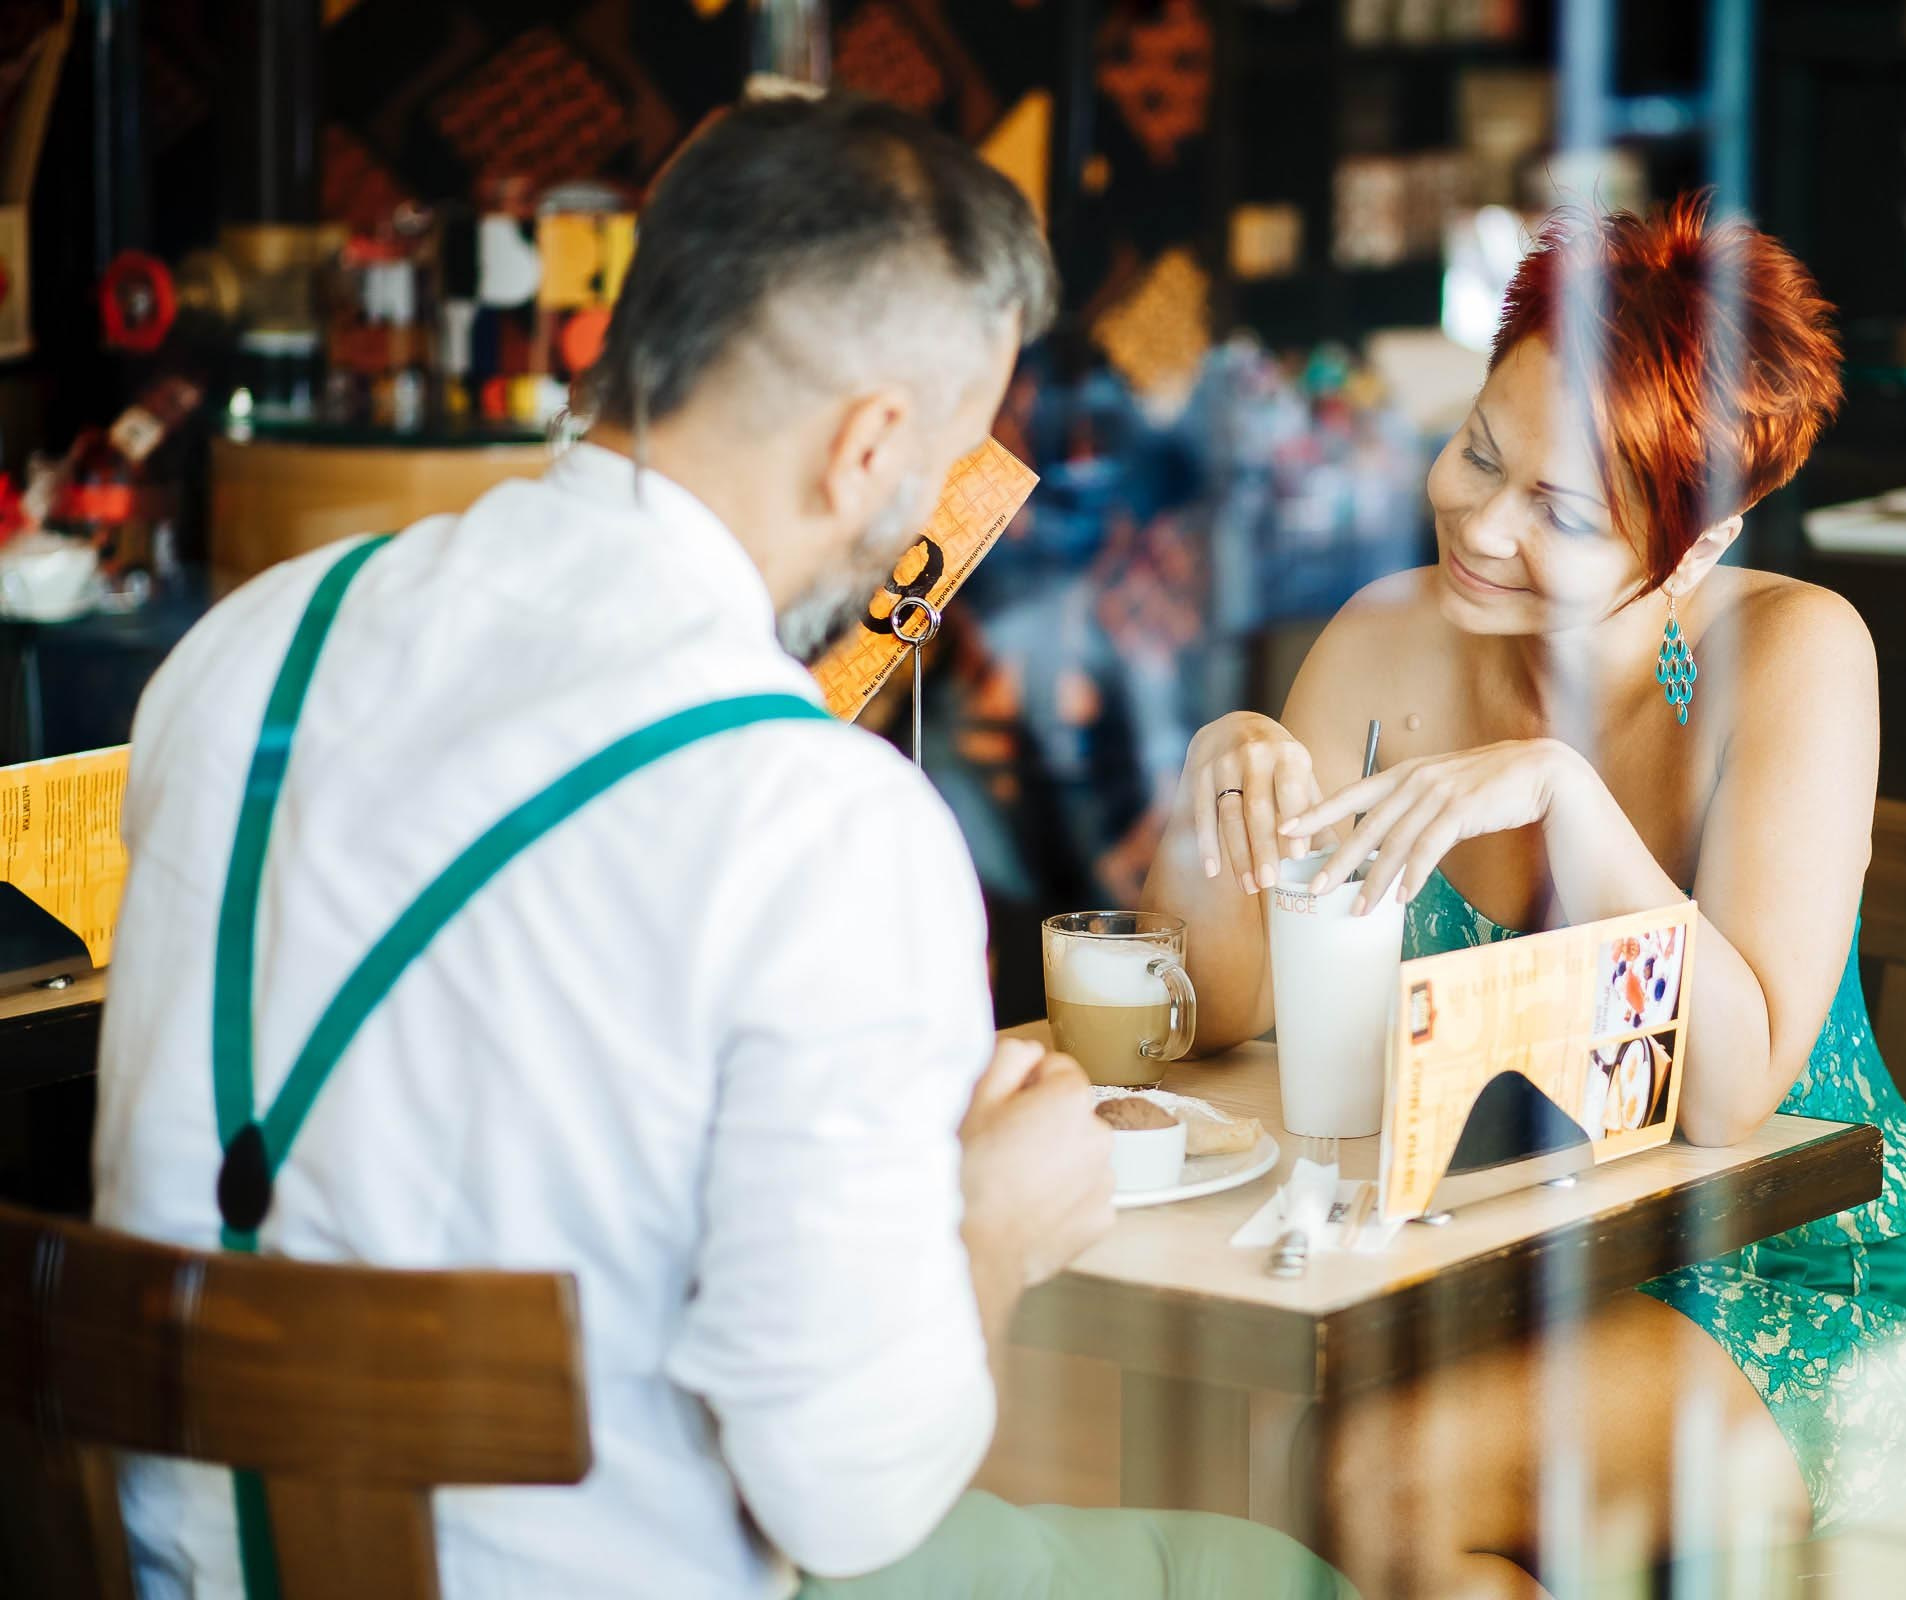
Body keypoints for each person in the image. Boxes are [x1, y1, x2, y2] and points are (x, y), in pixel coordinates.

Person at [94, 92, 1346, 1600]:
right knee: (1285, 1576)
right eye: (944, 463)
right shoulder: (817, 821)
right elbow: (849, 1501)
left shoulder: (240, 660)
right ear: (871, 442)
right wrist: (991, 1228)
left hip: (174, 1575)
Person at [1142, 198, 1906, 1595]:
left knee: (1375, 1481)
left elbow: (1728, 1099)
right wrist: (1219, 784)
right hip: (1520, 1255)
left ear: (1699, 542)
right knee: (1313, 1466)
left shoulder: (1793, 657)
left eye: (1564, 511)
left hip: (1810, 1274)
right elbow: (1230, 1017)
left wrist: (1563, 792)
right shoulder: (1383, 639)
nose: (1479, 524)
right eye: (1480, 449)